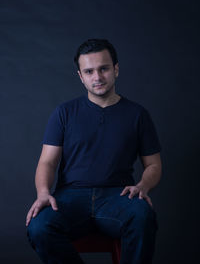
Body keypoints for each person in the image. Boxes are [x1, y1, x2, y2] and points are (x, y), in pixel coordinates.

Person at [26, 38, 162, 264]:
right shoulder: (64, 113)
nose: (97, 77)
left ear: (116, 69)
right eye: (89, 71)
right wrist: (42, 192)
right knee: (39, 226)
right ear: (80, 76)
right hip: (70, 198)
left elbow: (154, 165)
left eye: (104, 69)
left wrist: (142, 186)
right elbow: (47, 162)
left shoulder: (137, 114)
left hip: (118, 196)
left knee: (143, 216)